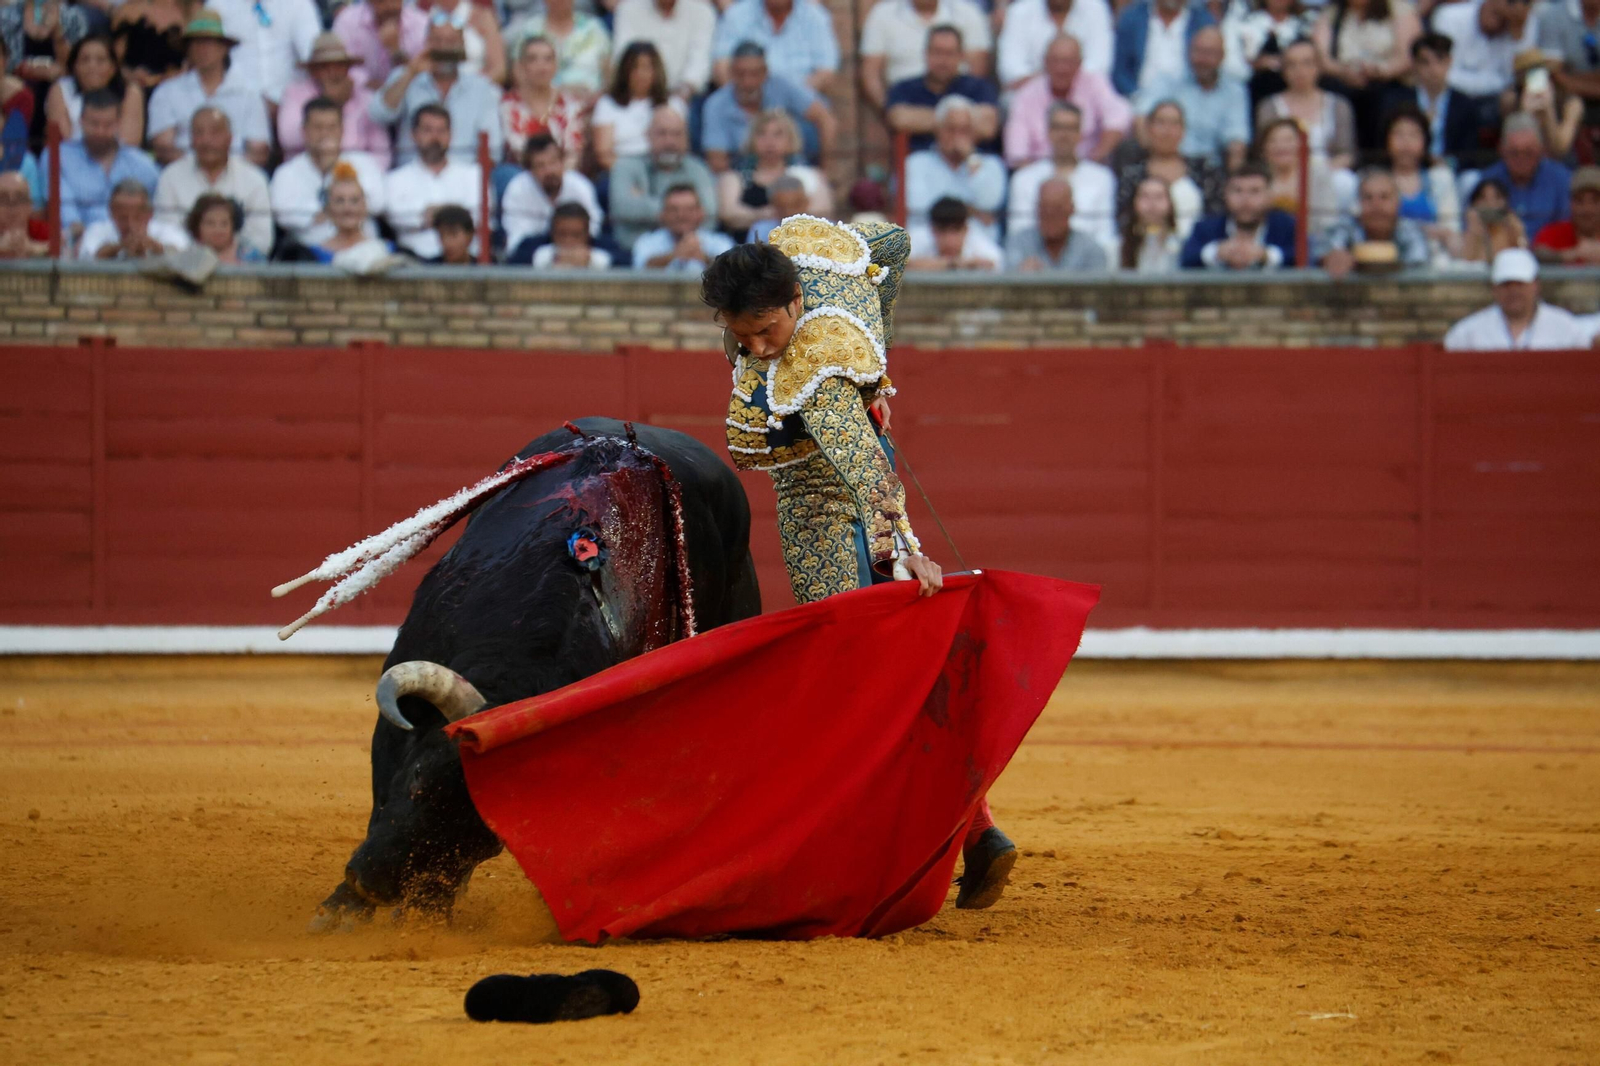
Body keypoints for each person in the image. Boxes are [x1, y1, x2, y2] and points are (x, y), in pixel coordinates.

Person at [701, 223, 1025, 913]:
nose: (757, 347)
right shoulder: (821, 276)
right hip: (870, 496)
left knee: (853, 683)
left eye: (765, 329)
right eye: (741, 335)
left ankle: (863, 853)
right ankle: (980, 830)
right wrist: (877, 331)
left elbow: (863, 469)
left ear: (793, 302)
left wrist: (902, 546)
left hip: (827, 517)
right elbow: (891, 242)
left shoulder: (815, 372)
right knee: (904, 672)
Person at [147, 8, 270, 167]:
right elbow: (163, 148)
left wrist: (223, 170)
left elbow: (259, 152)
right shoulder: (166, 92)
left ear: (224, 48)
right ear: (188, 49)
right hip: (183, 174)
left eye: (209, 42)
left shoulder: (249, 93)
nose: (203, 49)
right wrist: (203, 167)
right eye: (196, 43)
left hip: (238, 176)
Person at [372, 20, 502, 165]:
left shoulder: (480, 88)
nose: (443, 48)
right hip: (411, 175)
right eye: (437, 41)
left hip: (463, 177)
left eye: (451, 42)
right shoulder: (404, 76)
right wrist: (411, 73)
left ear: (462, 46)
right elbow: (379, 114)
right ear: (426, 44)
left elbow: (493, 150)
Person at [269, 96, 388, 247]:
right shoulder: (286, 172)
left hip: (363, 253)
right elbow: (283, 216)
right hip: (310, 258)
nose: (325, 134)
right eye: (318, 127)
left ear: (342, 131)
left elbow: (378, 203)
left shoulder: (364, 162)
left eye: (331, 127)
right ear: (304, 131)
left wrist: (320, 214)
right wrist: (346, 209)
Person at [153, 106, 273, 254]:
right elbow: (165, 234)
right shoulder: (170, 177)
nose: (206, 140)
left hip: (240, 269)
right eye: (199, 133)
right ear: (191, 139)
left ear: (230, 138)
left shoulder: (254, 179)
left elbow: (261, 239)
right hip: (184, 266)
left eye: (215, 132)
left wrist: (227, 252)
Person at [700, 42, 835, 173]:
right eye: (741, 74)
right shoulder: (716, 104)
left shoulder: (781, 85)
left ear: (765, 72)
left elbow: (825, 118)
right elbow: (717, 161)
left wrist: (824, 172)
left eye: (754, 74)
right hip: (741, 172)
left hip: (787, 167)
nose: (748, 82)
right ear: (731, 73)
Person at [1004, 33, 1131, 168]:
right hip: (1040, 170)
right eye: (1055, 61)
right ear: (1045, 62)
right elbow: (1016, 153)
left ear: (1080, 63)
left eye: (1068, 62)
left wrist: (1098, 156)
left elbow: (1119, 118)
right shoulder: (1027, 94)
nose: (1061, 68)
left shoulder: (1095, 83)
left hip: (1088, 166)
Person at [1310, 0, 1420, 150]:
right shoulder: (1331, 13)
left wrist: (1379, 71)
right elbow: (1322, 57)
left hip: (1389, 81)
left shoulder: (1399, 9)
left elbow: (1408, 56)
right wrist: (1343, 71)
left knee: (1386, 101)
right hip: (1344, 79)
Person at [1135, 25, 1248, 169]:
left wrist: (1235, 181)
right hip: (1166, 160)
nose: (1202, 59)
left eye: (1209, 53)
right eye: (1198, 51)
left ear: (1222, 56)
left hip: (1209, 166)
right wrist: (1154, 159)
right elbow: (1141, 119)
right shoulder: (1168, 79)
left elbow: (1237, 140)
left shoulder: (1234, 91)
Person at [1007, 102, 1118, 247]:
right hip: (1035, 262)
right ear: (1048, 131)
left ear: (1081, 134)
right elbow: (1018, 232)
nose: (1064, 135)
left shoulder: (1102, 178)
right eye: (1058, 127)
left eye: (1071, 128)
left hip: (1089, 263)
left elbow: (1105, 234)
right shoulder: (1023, 179)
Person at [610, 105, 716, 251]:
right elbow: (622, 208)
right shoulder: (626, 166)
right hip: (630, 254)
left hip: (692, 250)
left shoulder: (698, 169)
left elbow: (709, 212)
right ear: (648, 135)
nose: (669, 141)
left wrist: (646, 204)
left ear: (687, 138)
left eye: (676, 134)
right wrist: (686, 212)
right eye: (662, 133)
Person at [383, 104, 484, 258]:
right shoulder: (395, 179)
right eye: (428, 130)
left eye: (441, 131)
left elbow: (482, 217)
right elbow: (395, 219)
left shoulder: (473, 175)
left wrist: (430, 216)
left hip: (467, 262)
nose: (435, 138)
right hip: (415, 262)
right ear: (414, 134)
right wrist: (456, 214)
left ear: (450, 135)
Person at [277, 33, 392, 169]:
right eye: (325, 66)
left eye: (339, 65)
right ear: (313, 70)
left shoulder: (365, 97)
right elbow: (289, 139)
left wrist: (361, 176)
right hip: (307, 170)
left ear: (348, 68)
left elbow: (382, 151)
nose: (333, 72)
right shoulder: (294, 93)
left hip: (356, 174)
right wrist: (332, 102)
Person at [1443, 247, 1589, 349]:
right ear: (1494, 289)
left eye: (1520, 284)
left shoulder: (1567, 328)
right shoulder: (1467, 333)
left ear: (1535, 285)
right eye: (1506, 285)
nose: (1513, 291)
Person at [1113, 98, 1220, 239]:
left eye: (1174, 124)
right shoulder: (1132, 174)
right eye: (1161, 123)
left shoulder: (1204, 169)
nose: (1167, 131)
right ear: (1148, 128)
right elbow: (1124, 219)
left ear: (1183, 130)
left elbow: (1215, 214)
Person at [884, 24, 999, 154]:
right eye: (937, 52)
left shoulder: (978, 87)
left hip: (971, 164)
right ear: (926, 53)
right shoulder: (904, 88)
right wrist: (962, 121)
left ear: (961, 56)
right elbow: (898, 119)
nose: (943, 60)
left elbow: (988, 127)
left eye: (949, 53)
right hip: (920, 164)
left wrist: (924, 120)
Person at [716, 109, 831, 236]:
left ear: (790, 140)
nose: (769, 142)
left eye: (778, 134)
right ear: (752, 140)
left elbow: (823, 211)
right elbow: (729, 213)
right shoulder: (734, 177)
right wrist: (764, 214)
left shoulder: (810, 175)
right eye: (762, 134)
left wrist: (785, 212)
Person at [907, 94, 1006, 241]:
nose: (957, 137)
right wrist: (972, 211)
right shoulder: (916, 163)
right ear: (938, 130)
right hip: (929, 242)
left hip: (976, 243)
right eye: (951, 129)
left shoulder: (992, 164)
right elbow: (917, 205)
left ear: (974, 132)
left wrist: (971, 159)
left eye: (964, 130)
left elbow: (989, 202)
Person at [861, 0, 990, 112]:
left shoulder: (968, 12)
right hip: (906, 105)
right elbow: (870, 73)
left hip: (961, 106)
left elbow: (978, 69)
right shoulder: (883, 14)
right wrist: (889, 112)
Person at [58, 89, 158, 233]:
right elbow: (66, 217)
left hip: (133, 240)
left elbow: (154, 212)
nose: (100, 131)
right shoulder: (60, 158)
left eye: (108, 125)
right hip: (79, 243)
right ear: (81, 121)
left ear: (118, 124)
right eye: (94, 124)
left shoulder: (143, 165)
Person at [1254, 38, 1356, 171]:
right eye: (1292, 64)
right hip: (1282, 171)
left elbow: (1346, 153)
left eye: (1307, 63)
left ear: (1319, 67)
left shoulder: (1339, 105)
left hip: (1328, 171)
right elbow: (1263, 152)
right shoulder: (1269, 106)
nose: (1299, 70)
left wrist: (1322, 173)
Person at [1384, 33, 1484, 168]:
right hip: (1404, 168)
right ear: (1415, 65)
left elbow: (1469, 153)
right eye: (1425, 62)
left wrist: (1446, 163)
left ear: (1449, 62)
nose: (1433, 69)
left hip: (1450, 170)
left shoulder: (1464, 105)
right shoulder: (1397, 101)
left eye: (1439, 60)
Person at [1315, 168, 1432, 276]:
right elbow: (1323, 252)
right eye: (1368, 197)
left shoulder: (1411, 231)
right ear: (1358, 203)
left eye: (1384, 197)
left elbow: (1417, 269)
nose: (1376, 205)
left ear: (1398, 204)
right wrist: (1332, 258)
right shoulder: (1345, 228)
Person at [1180, 161, 1296, 268]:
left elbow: (1301, 256)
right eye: (1237, 191)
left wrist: (1264, 255)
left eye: (1255, 191)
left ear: (1270, 196)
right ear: (1225, 194)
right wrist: (1217, 252)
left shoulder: (1287, 226)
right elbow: (1187, 257)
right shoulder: (1205, 228)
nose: (1245, 199)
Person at [592, 42, 687, 171]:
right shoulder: (608, 104)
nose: (640, 74)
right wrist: (633, 175)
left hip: (666, 167)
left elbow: (681, 146)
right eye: (634, 68)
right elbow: (604, 154)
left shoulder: (673, 103)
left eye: (646, 67)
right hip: (621, 169)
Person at [711, 0, 840, 94]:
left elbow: (826, 72)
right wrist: (745, 98)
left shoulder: (815, 17)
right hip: (745, 102)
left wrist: (792, 99)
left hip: (799, 106)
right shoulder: (737, 15)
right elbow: (721, 68)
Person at [502, 132, 602, 250]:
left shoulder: (580, 186)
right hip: (534, 252)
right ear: (530, 170)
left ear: (562, 162)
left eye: (553, 162)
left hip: (580, 249)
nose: (549, 170)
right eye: (540, 165)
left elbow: (594, 228)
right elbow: (516, 239)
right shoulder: (517, 189)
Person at [1478, 111, 1571, 236]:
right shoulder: (1488, 180)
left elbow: (1567, 228)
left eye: (1528, 152)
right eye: (1514, 153)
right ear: (1502, 151)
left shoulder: (1562, 179)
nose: (1521, 159)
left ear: (1541, 150)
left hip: (1548, 251)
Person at [500, 36, 585, 168]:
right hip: (520, 172)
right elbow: (517, 149)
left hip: (561, 176)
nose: (541, 66)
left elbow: (573, 151)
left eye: (548, 59)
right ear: (521, 66)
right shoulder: (508, 104)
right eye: (533, 59)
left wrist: (559, 177)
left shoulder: (569, 104)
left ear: (556, 65)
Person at [1430, 0, 1537, 102]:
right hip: (1453, 96)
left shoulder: (1524, 23)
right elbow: (1444, 73)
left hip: (1495, 102)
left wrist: (1517, 36)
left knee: (1511, 98)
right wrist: (1495, 83)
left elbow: (1515, 78)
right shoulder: (1449, 17)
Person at [44, 33, 142, 144]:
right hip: (71, 158)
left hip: (118, 158)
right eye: (85, 60)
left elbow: (129, 143)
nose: (92, 66)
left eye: (100, 60)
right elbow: (60, 142)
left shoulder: (130, 92)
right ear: (75, 66)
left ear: (113, 67)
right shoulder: (61, 89)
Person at [1382, 105, 1460, 244]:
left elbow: (1451, 231)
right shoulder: (1375, 181)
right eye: (1398, 134)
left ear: (1425, 142)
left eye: (1413, 135)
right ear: (1387, 141)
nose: (1406, 142)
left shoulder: (1441, 178)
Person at [611, 0, 716, 100]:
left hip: (686, 96)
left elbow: (699, 63)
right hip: (636, 95)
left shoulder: (703, 12)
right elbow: (623, 59)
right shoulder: (628, 9)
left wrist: (678, 99)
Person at [1111, 0, 1217, 99]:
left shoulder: (1203, 22)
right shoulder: (1132, 19)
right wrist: (1136, 97)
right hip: (1138, 98)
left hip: (1189, 100)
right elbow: (1120, 70)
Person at [1256, 117, 1342, 238]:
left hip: (1313, 239)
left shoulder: (1318, 173)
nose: (1281, 146)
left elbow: (1327, 220)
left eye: (1288, 140)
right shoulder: (1256, 177)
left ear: (1302, 144)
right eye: (1272, 141)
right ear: (1263, 149)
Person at [505, 0, 612, 97]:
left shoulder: (594, 29)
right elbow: (518, 74)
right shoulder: (530, 29)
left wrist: (597, 99)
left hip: (591, 106)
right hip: (542, 105)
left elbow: (609, 75)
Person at [995, 0, 1107, 91]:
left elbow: (1099, 67)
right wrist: (1051, 83)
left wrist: (1061, 82)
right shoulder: (1019, 11)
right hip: (1030, 94)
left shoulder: (1096, 8)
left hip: (1085, 94)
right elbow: (1010, 70)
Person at [1005, 177, 1108, 271]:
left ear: (1071, 209)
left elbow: (1095, 289)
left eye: (1057, 209)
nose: (1050, 216)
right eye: (1044, 209)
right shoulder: (1019, 243)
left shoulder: (1091, 250)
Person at [1220, 0, 1310, 108]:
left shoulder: (1304, 26)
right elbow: (1231, 66)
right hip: (1252, 92)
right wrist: (1256, 65)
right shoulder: (1245, 24)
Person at [301, 162, 394, 263]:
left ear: (365, 207)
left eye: (354, 200)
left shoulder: (386, 251)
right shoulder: (313, 256)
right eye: (340, 201)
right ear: (328, 209)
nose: (347, 208)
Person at [77, 176, 189, 258]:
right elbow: (88, 258)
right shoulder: (96, 230)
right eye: (123, 218)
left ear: (149, 214)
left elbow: (183, 256)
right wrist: (121, 246)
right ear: (111, 213)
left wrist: (154, 246)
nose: (130, 224)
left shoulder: (168, 231)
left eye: (137, 218)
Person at [634, 182, 735, 272]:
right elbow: (638, 273)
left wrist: (704, 258)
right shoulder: (646, 241)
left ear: (701, 213)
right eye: (674, 209)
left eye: (689, 209)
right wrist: (674, 255)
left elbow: (732, 272)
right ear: (662, 214)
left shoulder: (721, 242)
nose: (681, 215)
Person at [331, 0, 428, 90]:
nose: (389, 7)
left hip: (408, 95)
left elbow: (421, 76)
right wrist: (380, 89)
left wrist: (395, 49)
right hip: (362, 95)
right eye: (381, 1)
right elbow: (344, 68)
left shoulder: (421, 24)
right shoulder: (347, 22)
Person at [1511, 51, 1583, 162]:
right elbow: (1516, 148)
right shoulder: (1513, 100)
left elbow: (1560, 150)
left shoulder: (1572, 103)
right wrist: (1525, 114)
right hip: (1526, 162)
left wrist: (1549, 111)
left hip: (1562, 164)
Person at [412, 0, 504, 85]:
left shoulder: (482, 17)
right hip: (431, 89)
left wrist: (474, 89)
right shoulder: (419, 17)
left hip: (477, 88)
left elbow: (499, 70)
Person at [111, 0, 190, 95]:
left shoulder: (190, 15)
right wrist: (128, 74)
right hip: (127, 85)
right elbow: (113, 55)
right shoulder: (130, 11)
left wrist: (162, 78)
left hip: (172, 87)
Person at [907, 194, 1002, 269]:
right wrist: (953, 264)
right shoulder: (918, 238)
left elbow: (994, 262)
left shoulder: (980, 244)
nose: (949, 240)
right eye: (943, 231)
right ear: (932, 230)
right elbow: (898, 265)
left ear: (966, 230)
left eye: (955, 231)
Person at [1531, 166, 1600, 266]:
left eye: (1595, 201)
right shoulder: (1552, 233)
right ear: (1570, 204)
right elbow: (1535, 256)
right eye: (1580, 201)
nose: (1587, 209)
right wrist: (1574, 253)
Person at [1455, 176, 1527, 264]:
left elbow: (1523, 254)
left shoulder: (1512, 224)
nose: (1490, 204)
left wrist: (1515, 227)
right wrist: (1474, 230)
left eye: (1497, 197)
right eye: (1483, 198)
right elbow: (1466, 261)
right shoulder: (1468, 230)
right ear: (1474, 203)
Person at [1118, 174, 1182, 271]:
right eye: (1145, 196)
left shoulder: (1181, 246)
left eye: (1159, 197)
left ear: (1170, 204)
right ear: (1134, 203)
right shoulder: (1118, 248)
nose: (1152, 203)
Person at [185, 190, 264, 262]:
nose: (218, 230)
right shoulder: (185, 256)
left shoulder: (253, 257)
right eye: (210, 223)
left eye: (224, 223)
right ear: (197, 226)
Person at [529, 201, 614, 267]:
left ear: (587, 234)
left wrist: (592, 259)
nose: (568, 241)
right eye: (562, 234)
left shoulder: (606, 248)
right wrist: (552, 258)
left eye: (576, 235)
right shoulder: (534, 247)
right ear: (552, 232)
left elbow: (623, 262)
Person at [745, 173, 808, 243]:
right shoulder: (760, 231)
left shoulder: (819, 229)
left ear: (806, 202)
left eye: (795, 205)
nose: (789, 212)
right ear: (773, 205)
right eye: (782, 207)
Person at [0, 169, 44, 258]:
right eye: (3, 199)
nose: (12, 206)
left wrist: (32, 248)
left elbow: (61, 247)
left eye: (19, 198)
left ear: (30, 205)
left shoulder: (45, 231)